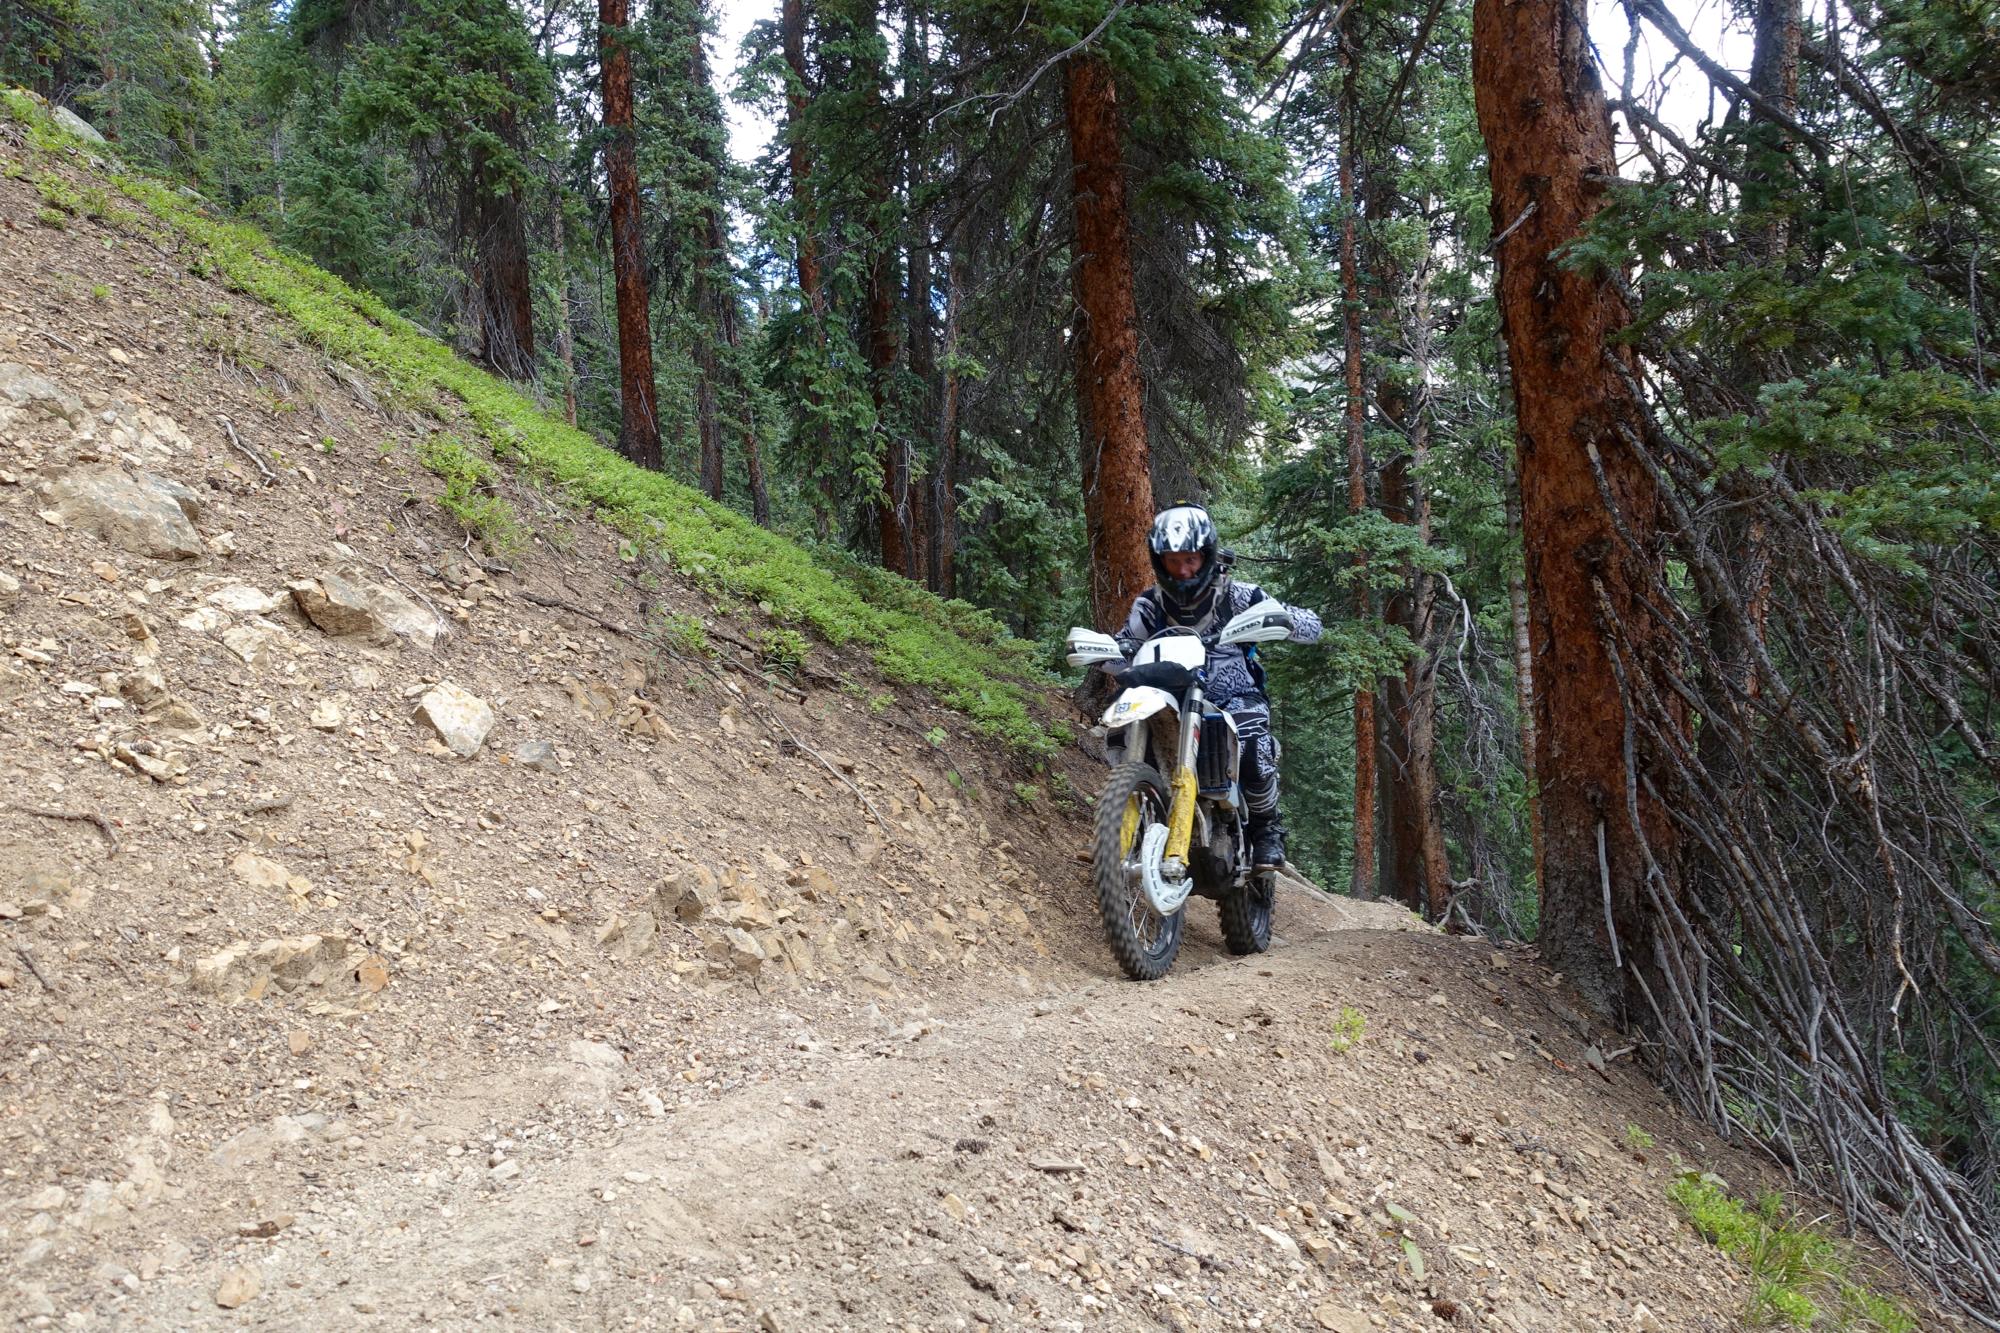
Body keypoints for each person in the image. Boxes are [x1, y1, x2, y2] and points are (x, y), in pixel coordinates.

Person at [1109, 504, 1322, 870]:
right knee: (1121, 726)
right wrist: (1105, 653)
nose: (1183, 570)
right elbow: (1124, 645)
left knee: (1254, 745)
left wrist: (1282, 622)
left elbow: (1312, 625)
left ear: (1206, 554)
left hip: (1233, 695)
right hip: (1170, 695)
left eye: (1190, 559)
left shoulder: (1238, 595)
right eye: (1173, 561)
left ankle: (1266, 829)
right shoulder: (1150, 604)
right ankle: (1127, 822)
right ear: (1159, 561)